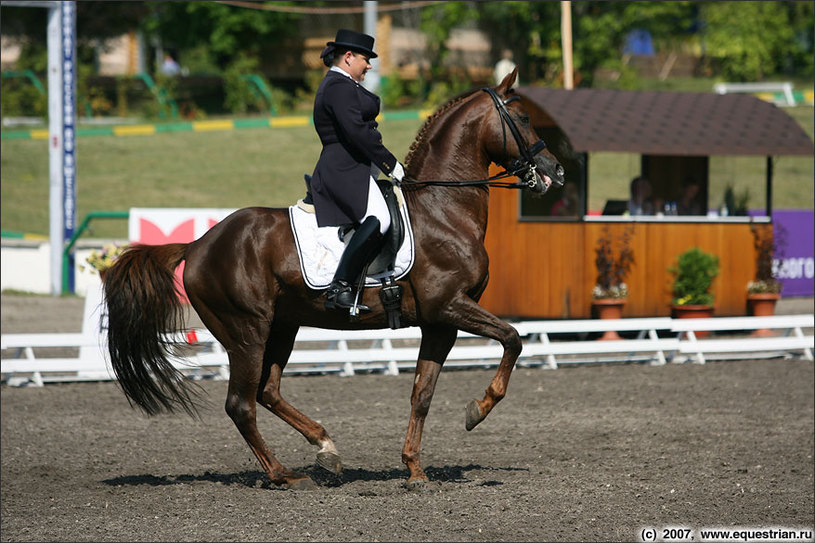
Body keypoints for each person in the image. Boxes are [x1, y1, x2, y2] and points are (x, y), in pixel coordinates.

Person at [311, 29, 406, 311]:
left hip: (355, 166)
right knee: (380, 218)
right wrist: (391, 164)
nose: (369, 65)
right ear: (349, 57)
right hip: (343, 168)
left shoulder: (343, 85)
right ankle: (340, 287)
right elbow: (356, 132)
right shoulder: (338, 87)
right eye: (366, 59)